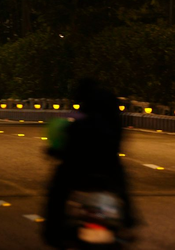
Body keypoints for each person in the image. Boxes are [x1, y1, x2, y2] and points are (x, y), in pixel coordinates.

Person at [43, 78, 136, 248]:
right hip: (108, 164)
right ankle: (129, 218)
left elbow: (70, 139)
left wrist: (54, 151)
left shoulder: (83, 115)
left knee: (57, 190)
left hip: (79, 167)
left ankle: (52, 229)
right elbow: (119, 136)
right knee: (122, 184)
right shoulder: (110, 106)